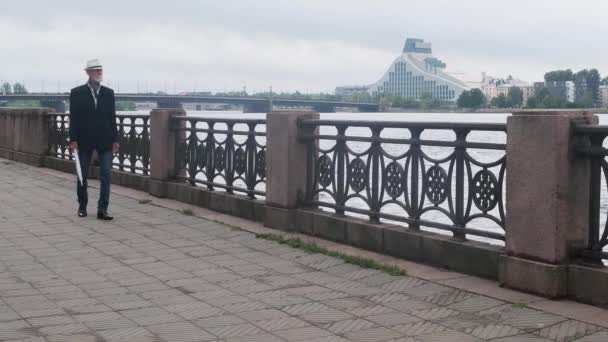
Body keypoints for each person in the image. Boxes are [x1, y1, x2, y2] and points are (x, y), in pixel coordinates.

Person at [68, 59, 119, 220]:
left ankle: (102, 209)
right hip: (84, 140)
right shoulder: (76, 93)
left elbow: (112, 118)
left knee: (106, 174)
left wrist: (116, 140)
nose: (99, 73)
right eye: (96, 70)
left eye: (100, 70)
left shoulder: (108, 93)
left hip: (105, 140)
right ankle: (82, 206)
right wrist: (73, 139)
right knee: (82, 174)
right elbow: (74, 118)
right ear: (88, 72)